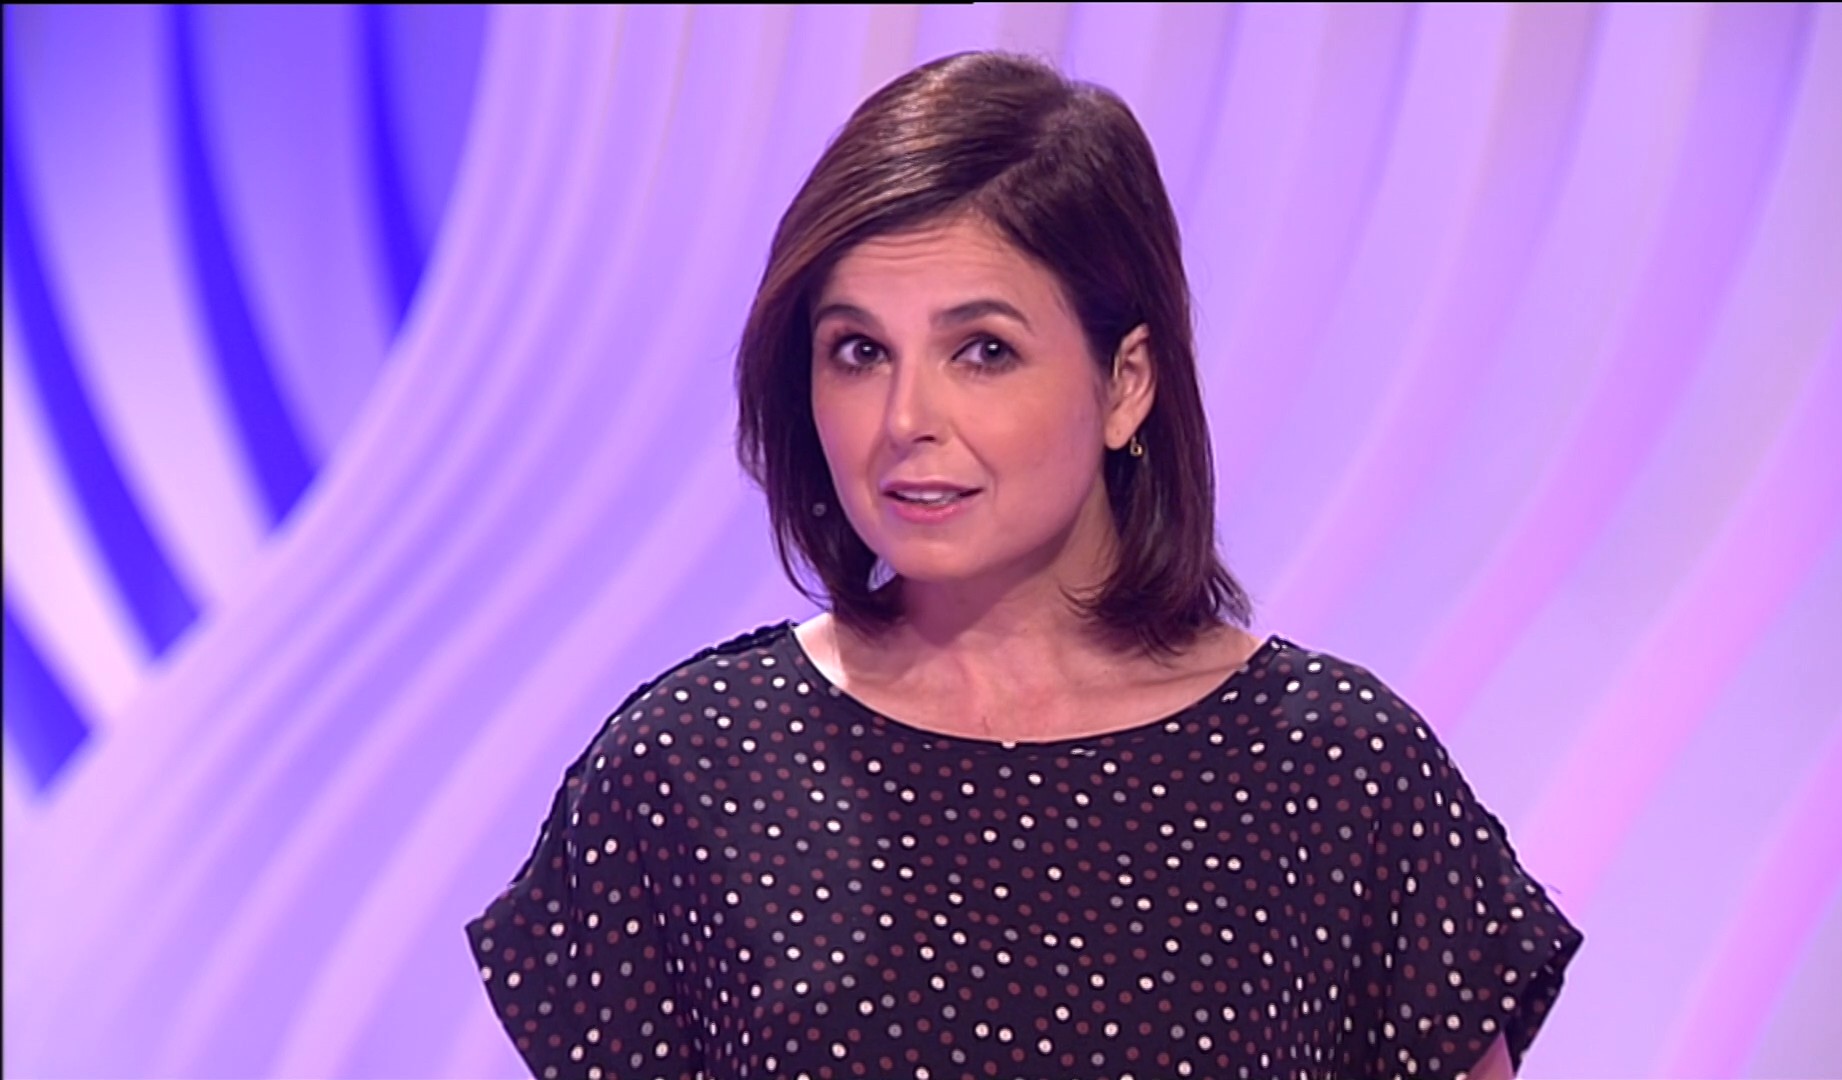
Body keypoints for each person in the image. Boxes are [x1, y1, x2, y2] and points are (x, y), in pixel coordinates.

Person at [468, 51, 1581, 1080]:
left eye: (983, 351)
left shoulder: (1336, 769)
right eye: (859, 351)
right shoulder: (691, 767)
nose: (905, 418)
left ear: (1127, 382)